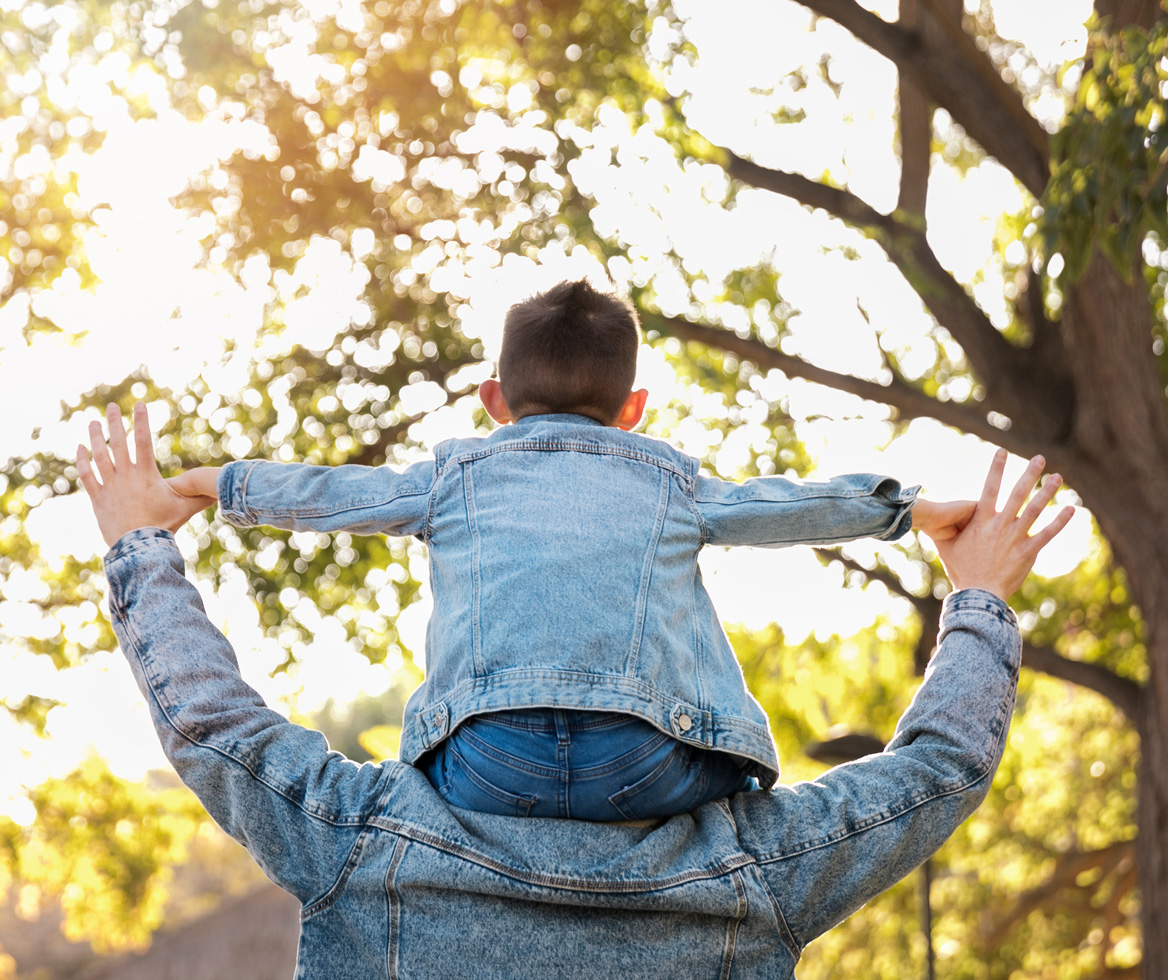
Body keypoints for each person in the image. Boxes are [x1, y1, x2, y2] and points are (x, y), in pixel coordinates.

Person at [76, 402, 1071, 978]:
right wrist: (977, 592)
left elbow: (210, 722)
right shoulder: (752, 871)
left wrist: (141, 537)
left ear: (496, 394)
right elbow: (940, 766)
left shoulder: (363, 843)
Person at [160, 279, 975, 821]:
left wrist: (205, 485)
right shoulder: (668, 478)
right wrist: (912, 511)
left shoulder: (454, 474)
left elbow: (331, 492)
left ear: (494, 402)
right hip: (643, 764)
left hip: (487, 765)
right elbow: (781, 505)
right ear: (634, 409)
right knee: (733, 792)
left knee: (434, 777)